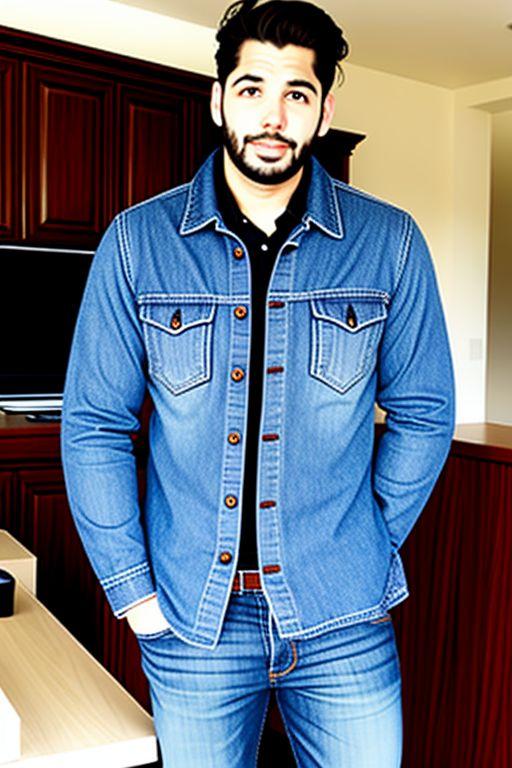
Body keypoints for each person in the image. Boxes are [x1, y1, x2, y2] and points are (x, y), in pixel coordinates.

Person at [60, 0, 456, 765]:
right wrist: (134, 593)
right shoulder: (138, 243)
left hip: (345, 616)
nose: (273, 116)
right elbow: (95, 425)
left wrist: (368, 541)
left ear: (324, 111)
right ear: (219, 100)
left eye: (296, 93)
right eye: (251, 89)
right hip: (192, 619)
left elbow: (425, 410)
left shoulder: (390, 242)